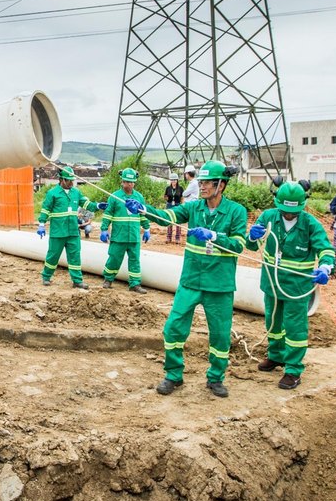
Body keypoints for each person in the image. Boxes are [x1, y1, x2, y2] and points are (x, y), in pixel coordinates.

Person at [124, 160, 247, 399]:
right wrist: (143, 209)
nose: (201, 187)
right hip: (191, 280)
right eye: (200, 182)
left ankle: (215, 378)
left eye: (207, 183)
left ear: (221, 185)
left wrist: (214, 236)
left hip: (219, 285)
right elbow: (166, 216)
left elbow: (239, 245)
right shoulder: (193, 208)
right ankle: (173, 375)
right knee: (173, 329)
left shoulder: (236, 211)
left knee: (220, 335)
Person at [245, 181, 335, 390]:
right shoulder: (268, 217)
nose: (288, 215)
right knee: (273, 323)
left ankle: (293, 369)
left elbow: (326, 249)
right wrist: (252, 236)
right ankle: (276, 355)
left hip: (297, 286)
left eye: (292, 211)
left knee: (295, 328)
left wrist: (325, 268)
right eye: (284, 210)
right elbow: (251, 245)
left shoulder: (310, 224)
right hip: (272, 283)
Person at [37, 166, 95, 289]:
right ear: (61, 179)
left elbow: (86, 204)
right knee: (53, 255)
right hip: (58, 232)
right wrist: (41, 224)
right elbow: (45, 209)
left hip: (73, 231)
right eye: (68, 180)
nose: (71, 183)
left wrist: (98, 205)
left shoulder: (76, 192)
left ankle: (77, 281)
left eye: (72, 180)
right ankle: (46, 276)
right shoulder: (52, 193)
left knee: (75, 256)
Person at [98, 168, 151, 294]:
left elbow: (143, 214)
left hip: (133, 235)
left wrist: (147, 228)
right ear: (122, 181)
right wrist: (104, 229)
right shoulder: (115, 197)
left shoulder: (139, 197)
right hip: (119, 235)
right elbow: (108, 214)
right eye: (127, 182)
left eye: (132, 182)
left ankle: (135, 284)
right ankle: (108, 280)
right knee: (114, 258)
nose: (130, 184)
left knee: (135, 260)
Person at [163, 172, 184, 243]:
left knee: (178, 221)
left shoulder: (180, 188)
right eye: (172, 180)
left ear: (177, 180)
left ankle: (177, 238)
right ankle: (169, 237)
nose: (173, 181)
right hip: (169, 205)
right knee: (169, 221)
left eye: (175, 180)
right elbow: (165, 196)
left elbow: (182, 197)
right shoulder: (168, 188)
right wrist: (166, 198)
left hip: (177, 205)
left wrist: (182, 205)